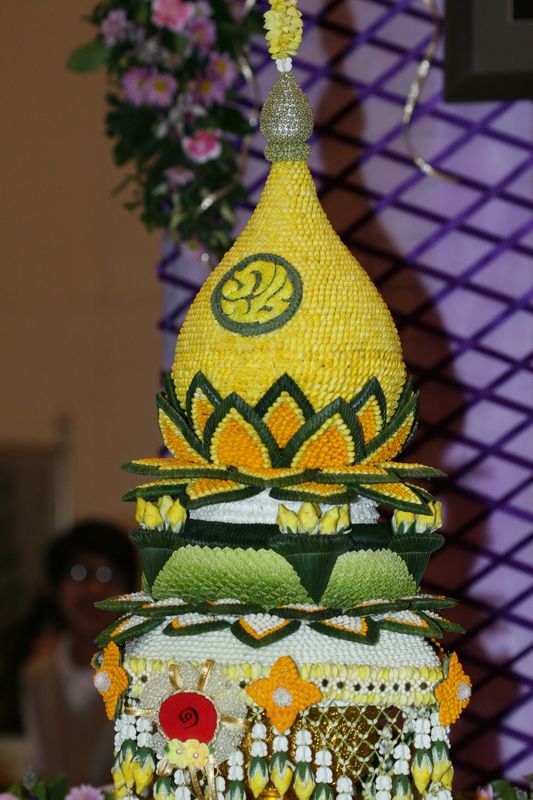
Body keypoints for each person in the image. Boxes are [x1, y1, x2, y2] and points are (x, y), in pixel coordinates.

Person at [21, 520, 137, 786]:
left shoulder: (141, 674)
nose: (95, 590)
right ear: (53, 584)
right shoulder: (37, 674)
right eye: (79, 572)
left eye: (109, 576)